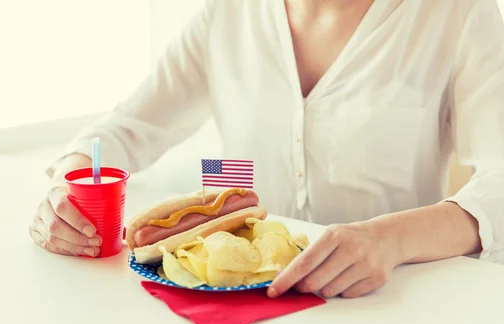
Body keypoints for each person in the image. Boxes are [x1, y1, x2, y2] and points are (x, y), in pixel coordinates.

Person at [30, 0, 504, 298]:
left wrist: (390, 238)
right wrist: (63, 191)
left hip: (389, 303)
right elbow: (124, 129)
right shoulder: (226, 14)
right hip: (234, 306)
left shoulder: (458, 12)